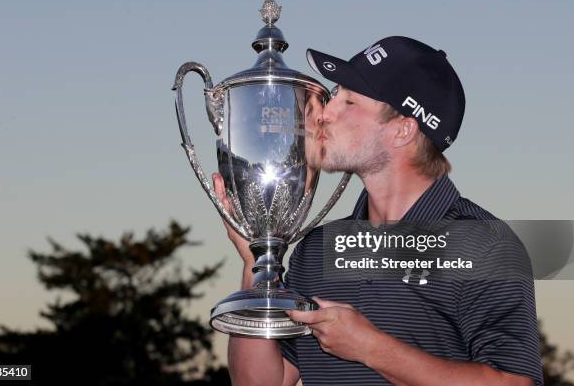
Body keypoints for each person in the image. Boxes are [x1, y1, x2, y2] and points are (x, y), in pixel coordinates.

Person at [213, 36, 542, 386]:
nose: (325, 112)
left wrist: (371, 348)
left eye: (349, 100)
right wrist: (255, 261)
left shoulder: (484, 245)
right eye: (334, 94)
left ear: (402, 129)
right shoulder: (317, 249)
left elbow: (513, 382)